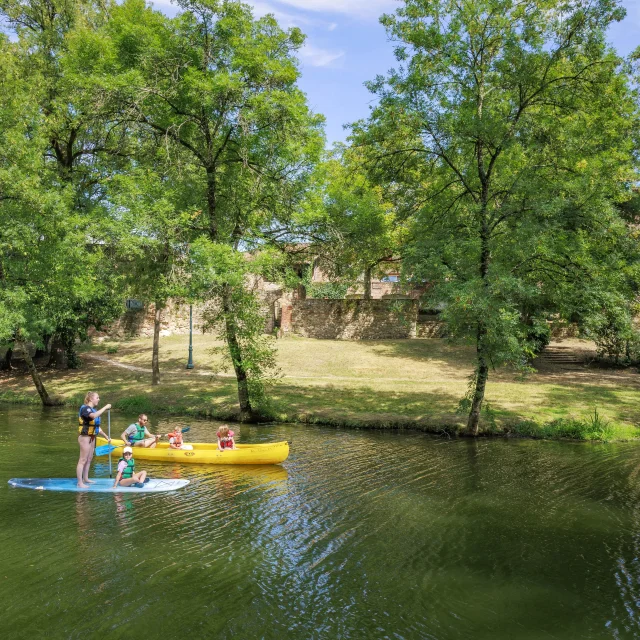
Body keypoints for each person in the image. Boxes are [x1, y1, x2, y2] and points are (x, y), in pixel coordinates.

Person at [77, 391, 111, 488]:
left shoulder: (93, 409)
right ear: (91, 399)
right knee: (82, 460)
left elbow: (96, 427)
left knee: (89, 458)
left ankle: (86, 478)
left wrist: (105, 436)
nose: (99, 399)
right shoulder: (85, 409)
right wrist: (105, 407)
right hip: (85, 437)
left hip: (92, 437)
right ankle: (80, 483)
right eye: (97, 397)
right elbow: (92, 416)